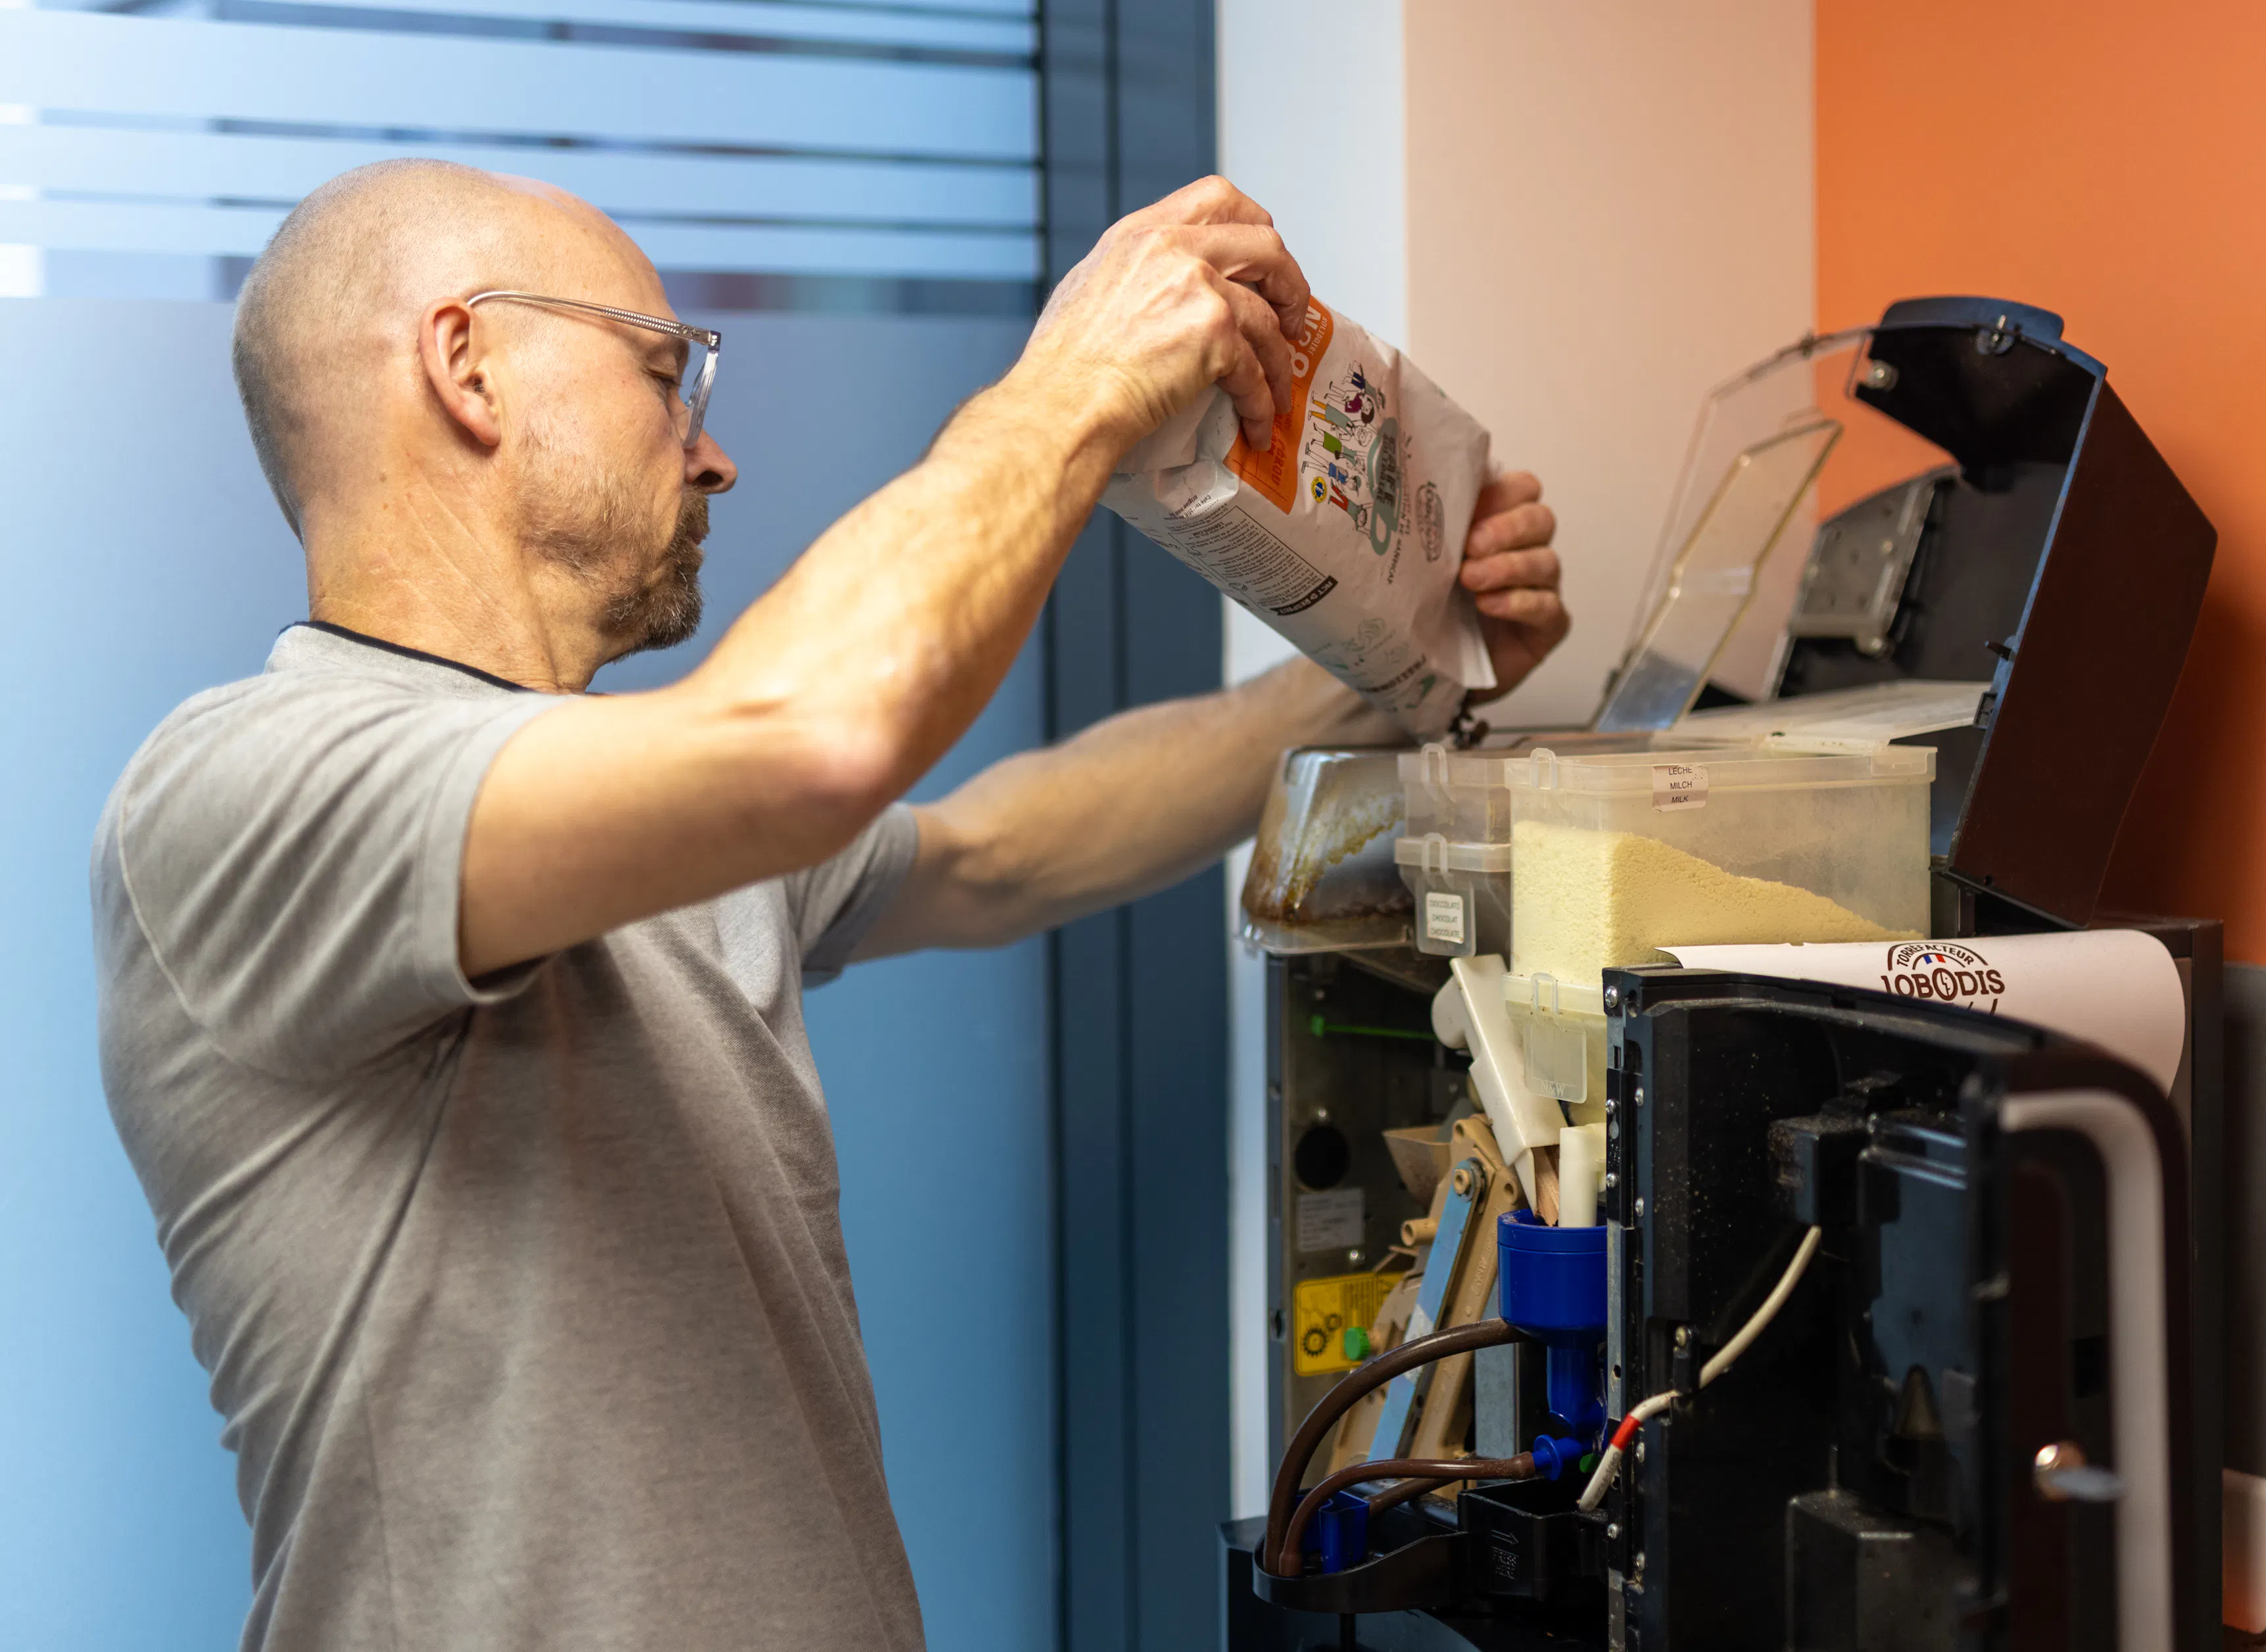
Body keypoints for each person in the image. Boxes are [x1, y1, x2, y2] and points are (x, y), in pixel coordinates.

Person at [90, 158, 1568, 1651]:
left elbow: (1007, 845)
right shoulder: (240, 786)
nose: (713, 453)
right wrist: (1070, 392)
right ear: (465, 364)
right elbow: (807, 742)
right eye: (665, 370)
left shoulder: (630, 800)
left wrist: (1394, 670)